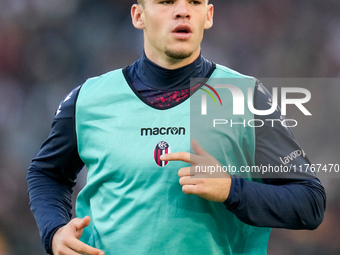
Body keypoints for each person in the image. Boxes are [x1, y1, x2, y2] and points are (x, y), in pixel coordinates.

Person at [27, 1, 326, 255]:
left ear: (208, 16)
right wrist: (54, 231)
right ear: (138, 16)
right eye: (167, 1)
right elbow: (47, 173)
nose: (183, 11)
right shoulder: (88, 100)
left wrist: (231, 189)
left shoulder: (245, 97)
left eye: (194, 2)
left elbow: (310, 202)